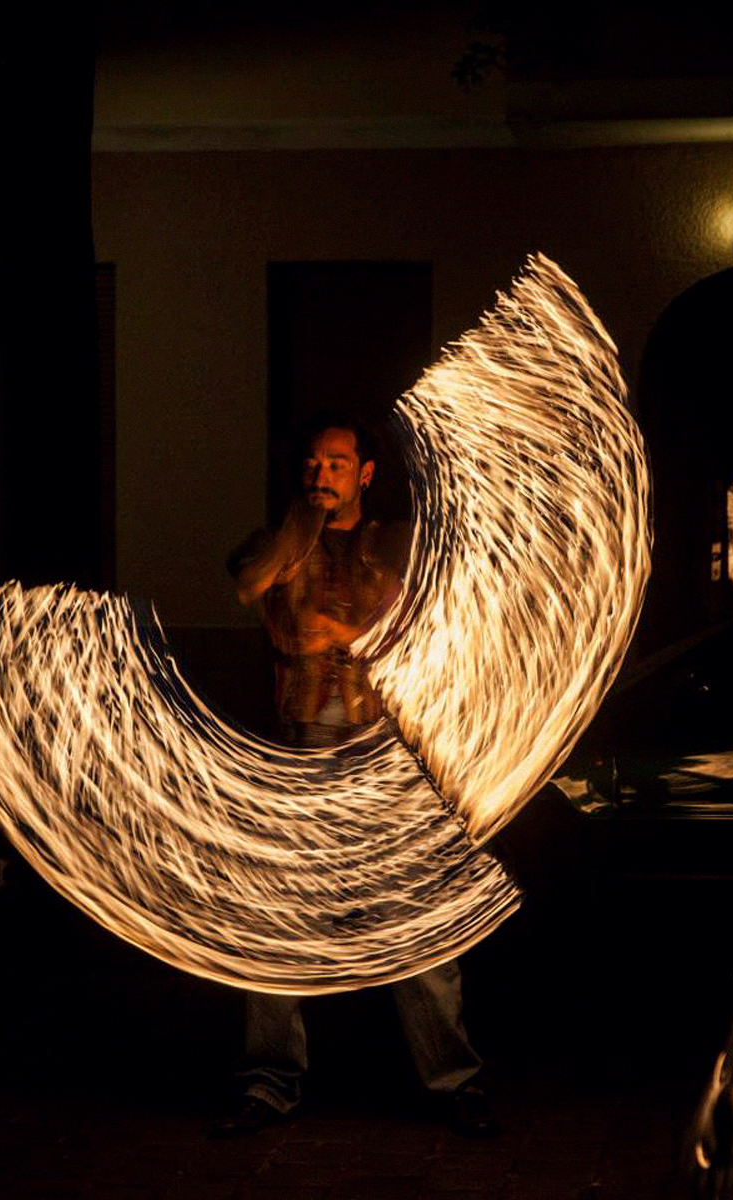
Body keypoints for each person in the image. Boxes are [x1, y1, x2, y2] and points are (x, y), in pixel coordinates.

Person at [214, 414, 494, 1137]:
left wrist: (349, 637)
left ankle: (452, 1082)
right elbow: (251, 586)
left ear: (365, 474)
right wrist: (302, 523)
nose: (320, 474)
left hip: (386, 753)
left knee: (414, 919)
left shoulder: (399, 542)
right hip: (300, 748)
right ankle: (269, 1083)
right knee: (278, 923)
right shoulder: (274, 538)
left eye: (336, 465)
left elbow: (435, 630)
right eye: (312, 464)